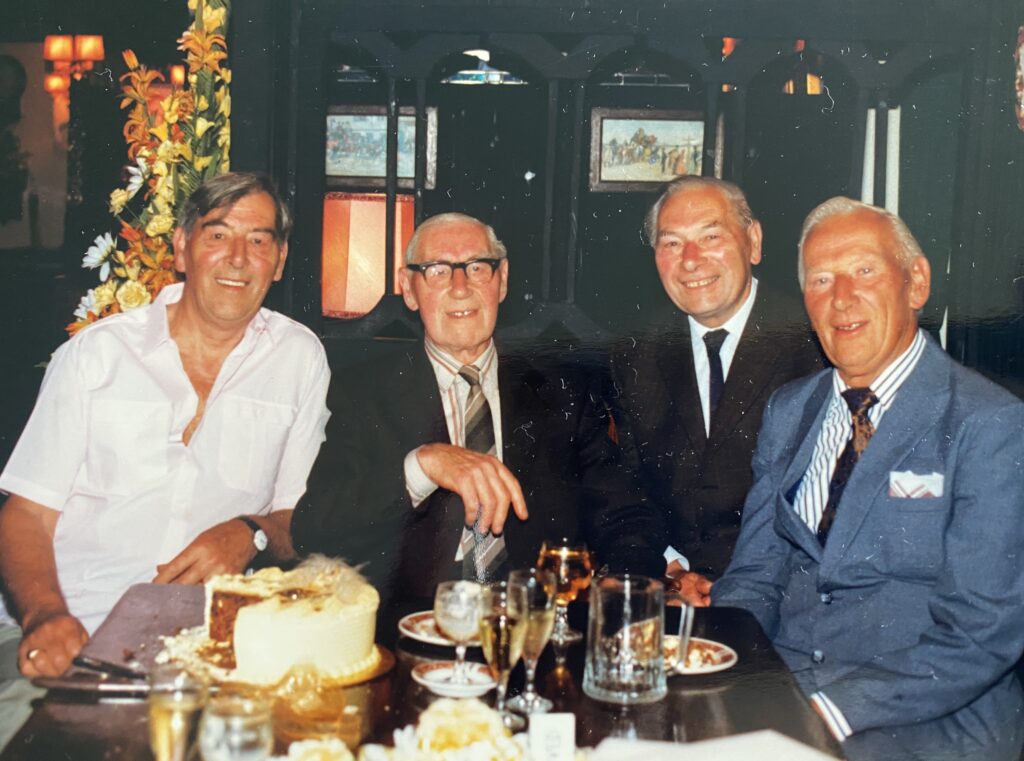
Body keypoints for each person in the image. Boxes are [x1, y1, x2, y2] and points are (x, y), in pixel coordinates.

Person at [0, 172, 330, 742]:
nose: (237, 257)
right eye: (217, 234)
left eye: (258, 240)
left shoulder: (300, 359)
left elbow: (300, 519)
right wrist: (46, 616)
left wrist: (250, 531)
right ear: (180, 248)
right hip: (70, 632)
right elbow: (26, 514)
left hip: (203, 652)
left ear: (278, 261)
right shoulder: (95, 357)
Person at [712, 197, 1024, 760]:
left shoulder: (988, 423)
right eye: (821, 279)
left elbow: (982, 632)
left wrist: (828, 709)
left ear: (917, 283)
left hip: (926, 726)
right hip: (785, 699)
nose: (841, 298)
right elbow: (754, 576)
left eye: (864, 271)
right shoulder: (790, 411)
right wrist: (716, 669)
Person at [292, 213, 665, 624]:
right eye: (436, 271)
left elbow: (625, 513)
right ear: (409, 289)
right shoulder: (364, 391)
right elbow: (315, 526)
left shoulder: (563, 388)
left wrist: (624, 581)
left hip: (536, 626)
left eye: (476, 267)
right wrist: (421, 466)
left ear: (501, 280)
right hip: (411, 630)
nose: (459, 287)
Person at [611, 177, 824, 605]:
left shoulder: (816, 341)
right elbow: (627, 488)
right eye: (671, 243)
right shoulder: (635, 352)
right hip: (673, 594)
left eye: (710, 236)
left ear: (754, 241)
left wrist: (739, 584)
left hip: (787, 598)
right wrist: (668, 570)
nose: (690, 260)